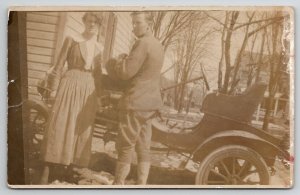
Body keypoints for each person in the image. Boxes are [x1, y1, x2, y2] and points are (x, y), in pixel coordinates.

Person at [39, 12, 103, 184]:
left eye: (96, 23)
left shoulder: (98, 48)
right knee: (59, 124)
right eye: (89, 21)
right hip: (70, 83)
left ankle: (69, 169)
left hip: (88, 87)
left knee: (80, 127)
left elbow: (97, 75)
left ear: (98, 26)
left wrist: (99, 97)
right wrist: (53, 89)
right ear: (84, 22)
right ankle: (47, 169)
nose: (92, 25)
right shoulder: (72, 39)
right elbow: (59, 66)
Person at [106, 11, 164, 185]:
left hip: (135, 103)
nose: (133, 27)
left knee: (125, 146)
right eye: (132, 23)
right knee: (143, 147)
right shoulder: (158, 45)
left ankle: (118, 184)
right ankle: (141, 185)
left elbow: (125, 73)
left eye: (137, 23)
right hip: (150, 105)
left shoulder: (142, 43)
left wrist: (115, 62)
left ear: (148, 24)